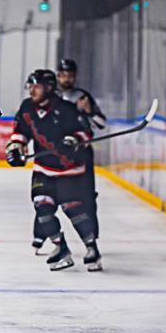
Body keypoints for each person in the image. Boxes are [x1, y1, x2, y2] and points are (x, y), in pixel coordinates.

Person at [4, 69, 101, 271]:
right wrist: (15, 148)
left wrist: (74, 140)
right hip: (43, 169)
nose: (32, 90)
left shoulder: (65, 109)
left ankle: (92, 249)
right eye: (30, 86)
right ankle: (61, 248)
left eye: (36, 86)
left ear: (48, 88)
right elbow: (20, 133)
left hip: (69, 169)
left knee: (73, 209)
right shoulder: (27, 107)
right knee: (42, 208)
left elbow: (86, 132)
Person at [56, 58, 104, 243]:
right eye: (64, 75)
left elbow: (101, 124)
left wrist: (90, 111)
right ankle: (49, 236)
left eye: (70, 75)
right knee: (52, 196)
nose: (67, 79)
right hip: (59, 154)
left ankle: (92, 236)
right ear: (58, 76)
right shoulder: (51, 98)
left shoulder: (83, 97)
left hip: (82, 153)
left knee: (87, 196)